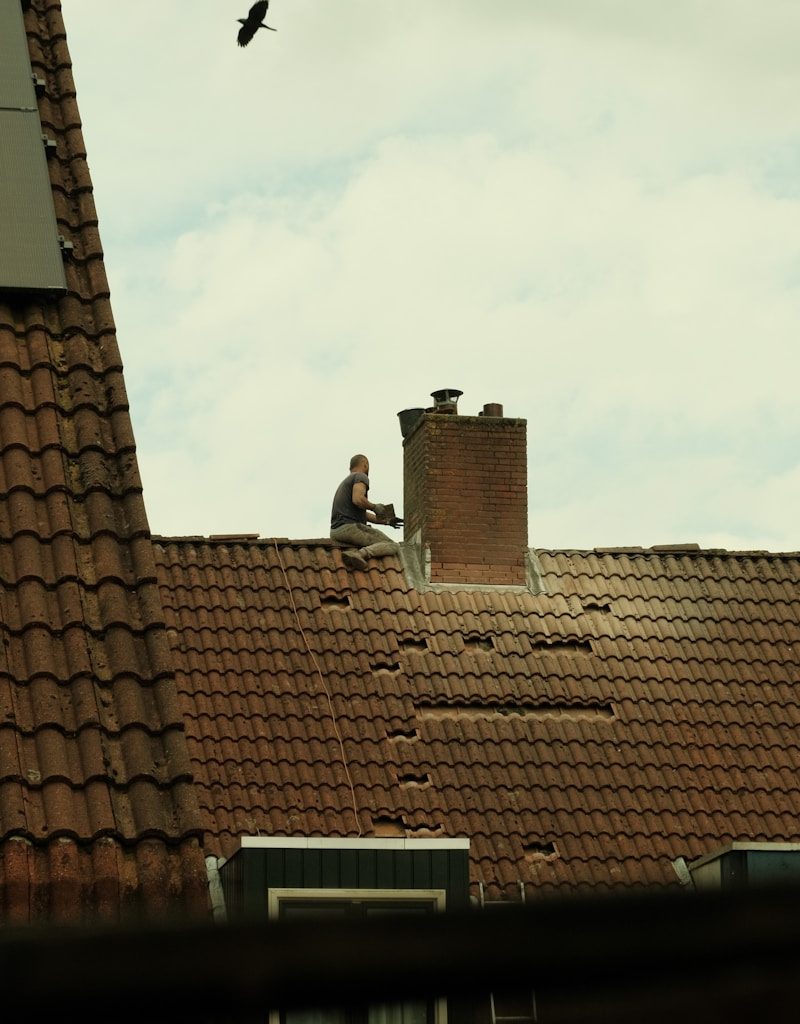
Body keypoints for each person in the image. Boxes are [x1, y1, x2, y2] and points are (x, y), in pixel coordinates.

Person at [330, 454, 400, 570]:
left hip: (336, 531)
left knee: (362, 540)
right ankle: (359, 554)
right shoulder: (360, 476)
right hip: (349, 528)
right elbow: (358, 499)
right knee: (392, 546)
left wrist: (387, 521)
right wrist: (374, 507)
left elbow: (363, 514)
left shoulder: (345, 483)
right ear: (365, 464)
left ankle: (352, 553)